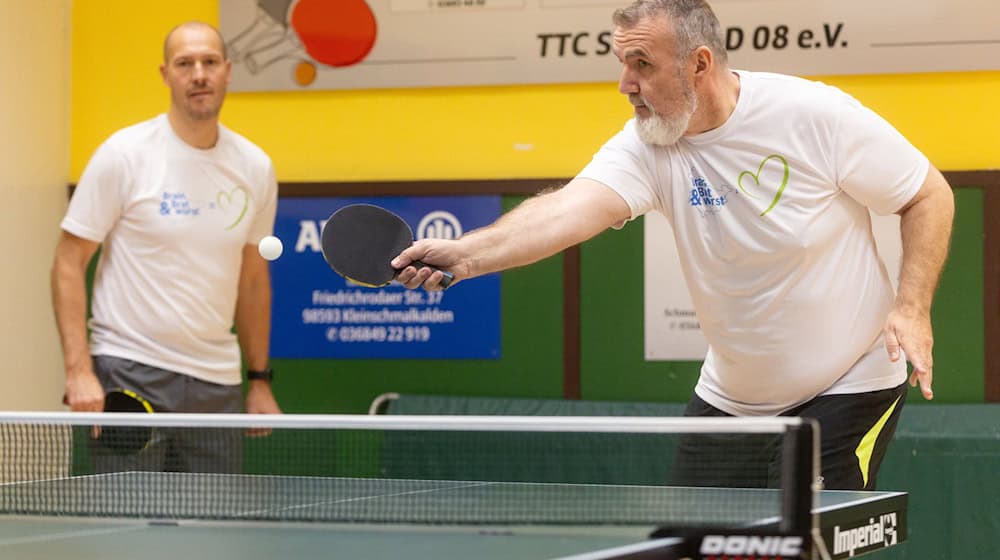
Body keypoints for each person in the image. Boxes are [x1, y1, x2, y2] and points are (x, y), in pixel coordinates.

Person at [391, 0, 954, 491]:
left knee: (803, 540)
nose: (625, 83)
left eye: (642, 64)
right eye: (621, 63)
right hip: (734, 395)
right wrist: (466, 255)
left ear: (699, 64)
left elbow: (928, 195)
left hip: (850, 379)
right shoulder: (646, 147)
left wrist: (912, 308)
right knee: (688, 541)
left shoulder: (814, 115)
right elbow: (565, 211)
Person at [51, 21, 282, 473]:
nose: (199, 74)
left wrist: (259, 380)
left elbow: (253, 279)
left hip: (216, 383)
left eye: (209, 62)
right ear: (165, 74)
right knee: (125, 518)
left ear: (227, 70)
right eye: (185, 63)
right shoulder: (124, 154)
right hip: (128, 370)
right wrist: (79, 370)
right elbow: (68, 260)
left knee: (214, 518)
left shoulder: (255, 167)